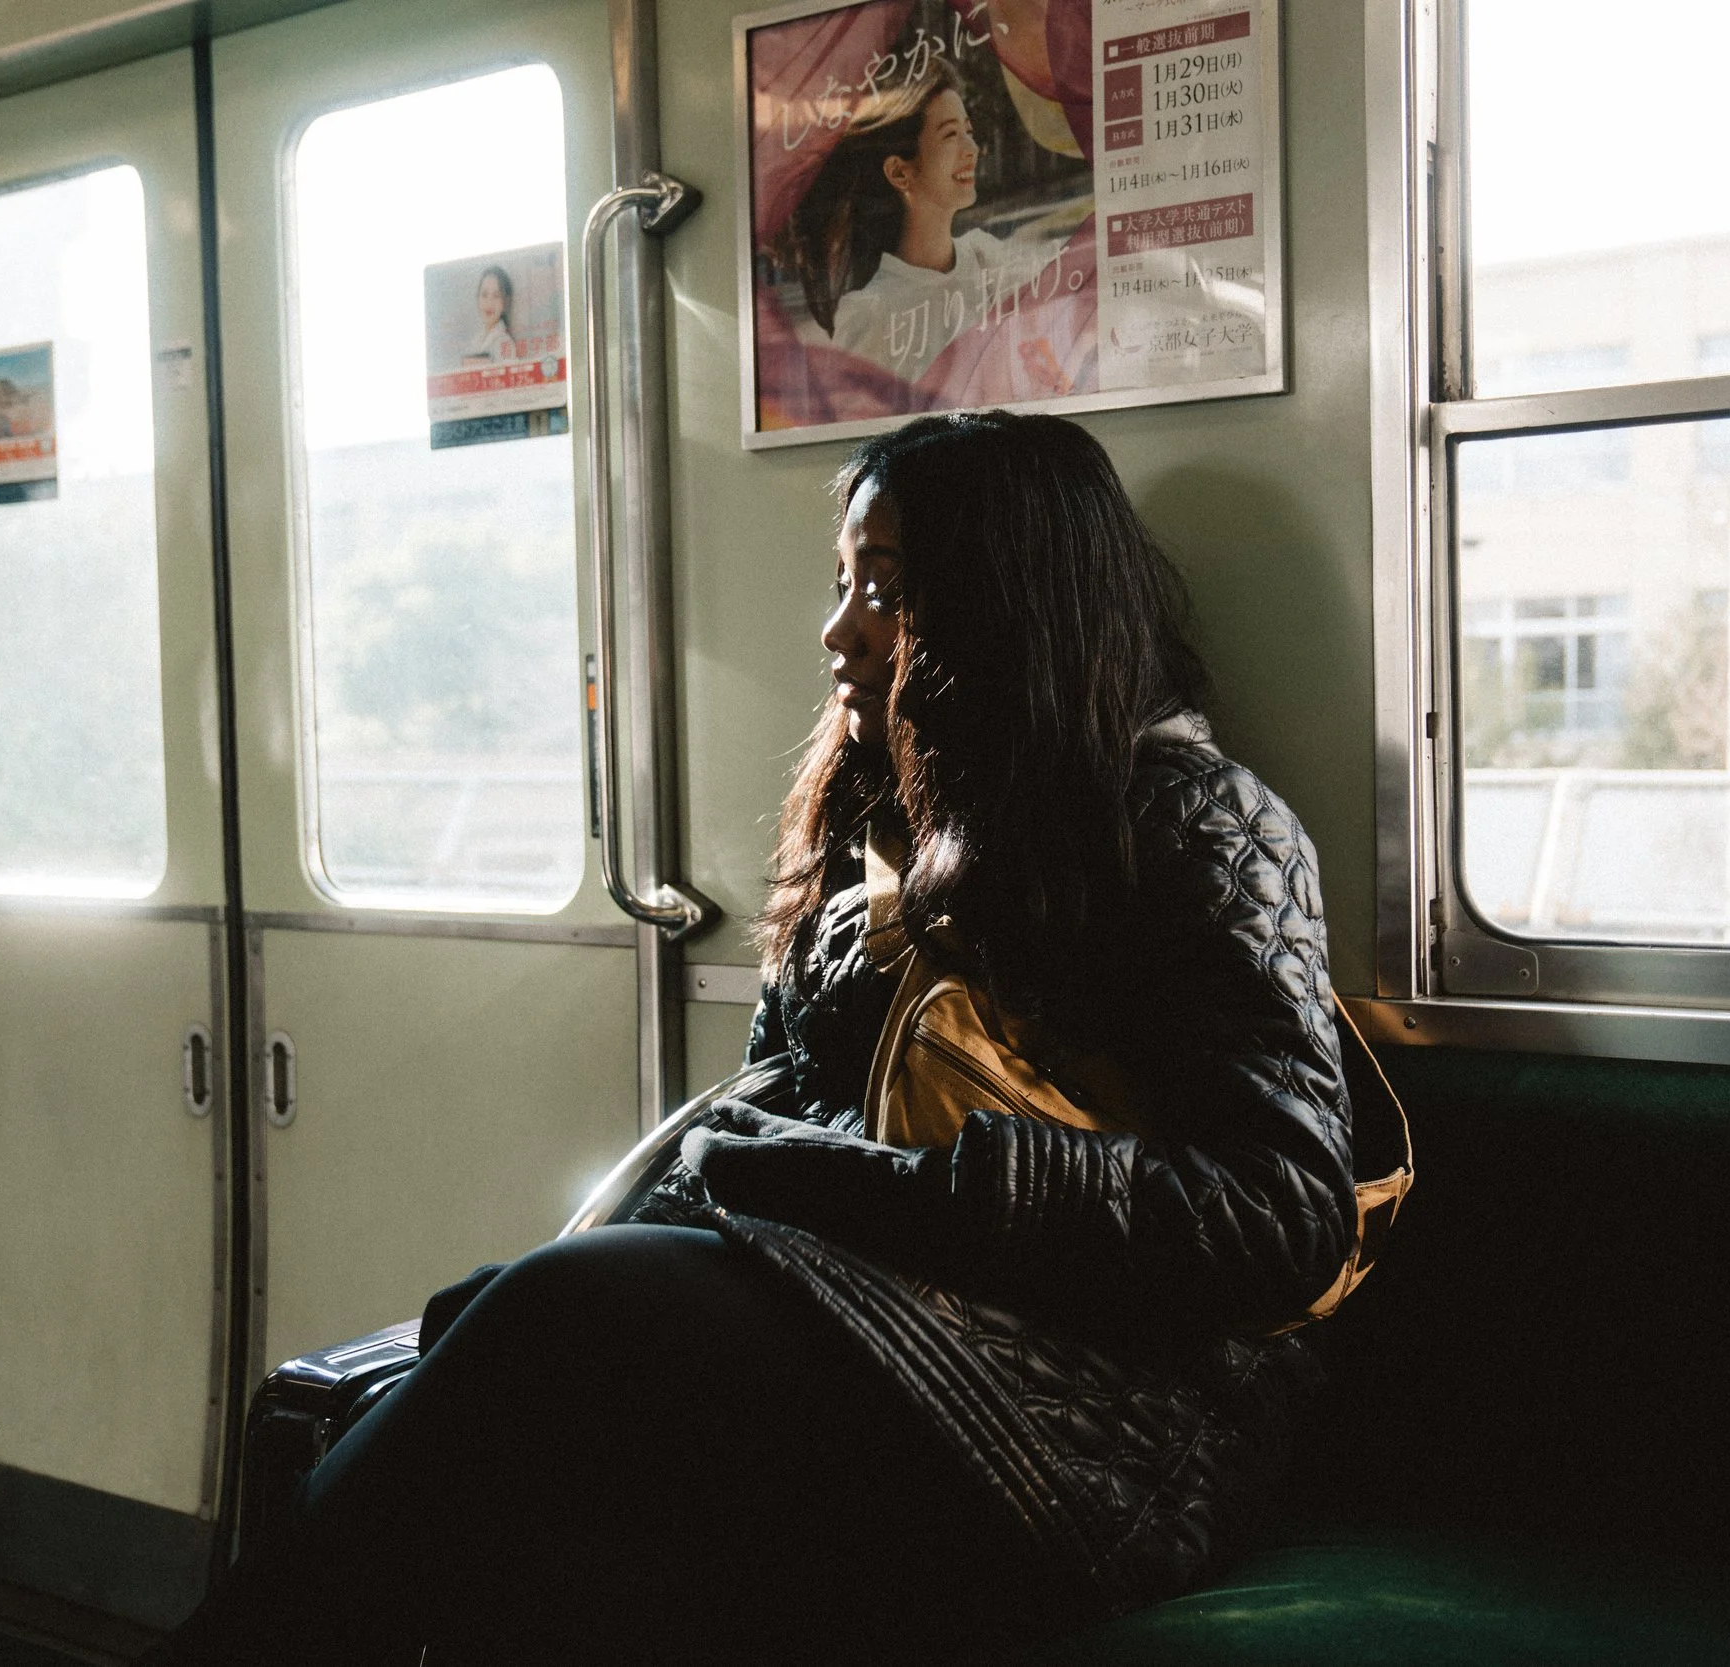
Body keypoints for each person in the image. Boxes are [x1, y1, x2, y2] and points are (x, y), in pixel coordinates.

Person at [144, 410, 1358, 1665]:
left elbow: (1282, 1210)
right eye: (842, 584)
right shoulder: (883, 805)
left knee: (562, 1321)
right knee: (492, 1351)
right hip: (863, 1321)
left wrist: (907, 1190)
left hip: (1095, 1415)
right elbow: (781, 1103)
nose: (840, 630)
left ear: (1003, 604)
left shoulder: (1193, 821)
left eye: (885, 589)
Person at [780, 65, 1022, 381]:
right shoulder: (869, 318)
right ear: (899, 172)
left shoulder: (987, 263)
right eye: (951, 134)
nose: (972, 149)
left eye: (969, 131)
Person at [462, 264, 517, 363]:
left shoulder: (505, 343)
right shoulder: (476, 340)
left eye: (496, 296)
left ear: (505, 303)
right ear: (477, 298)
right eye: (484, 295)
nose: (489, 302)